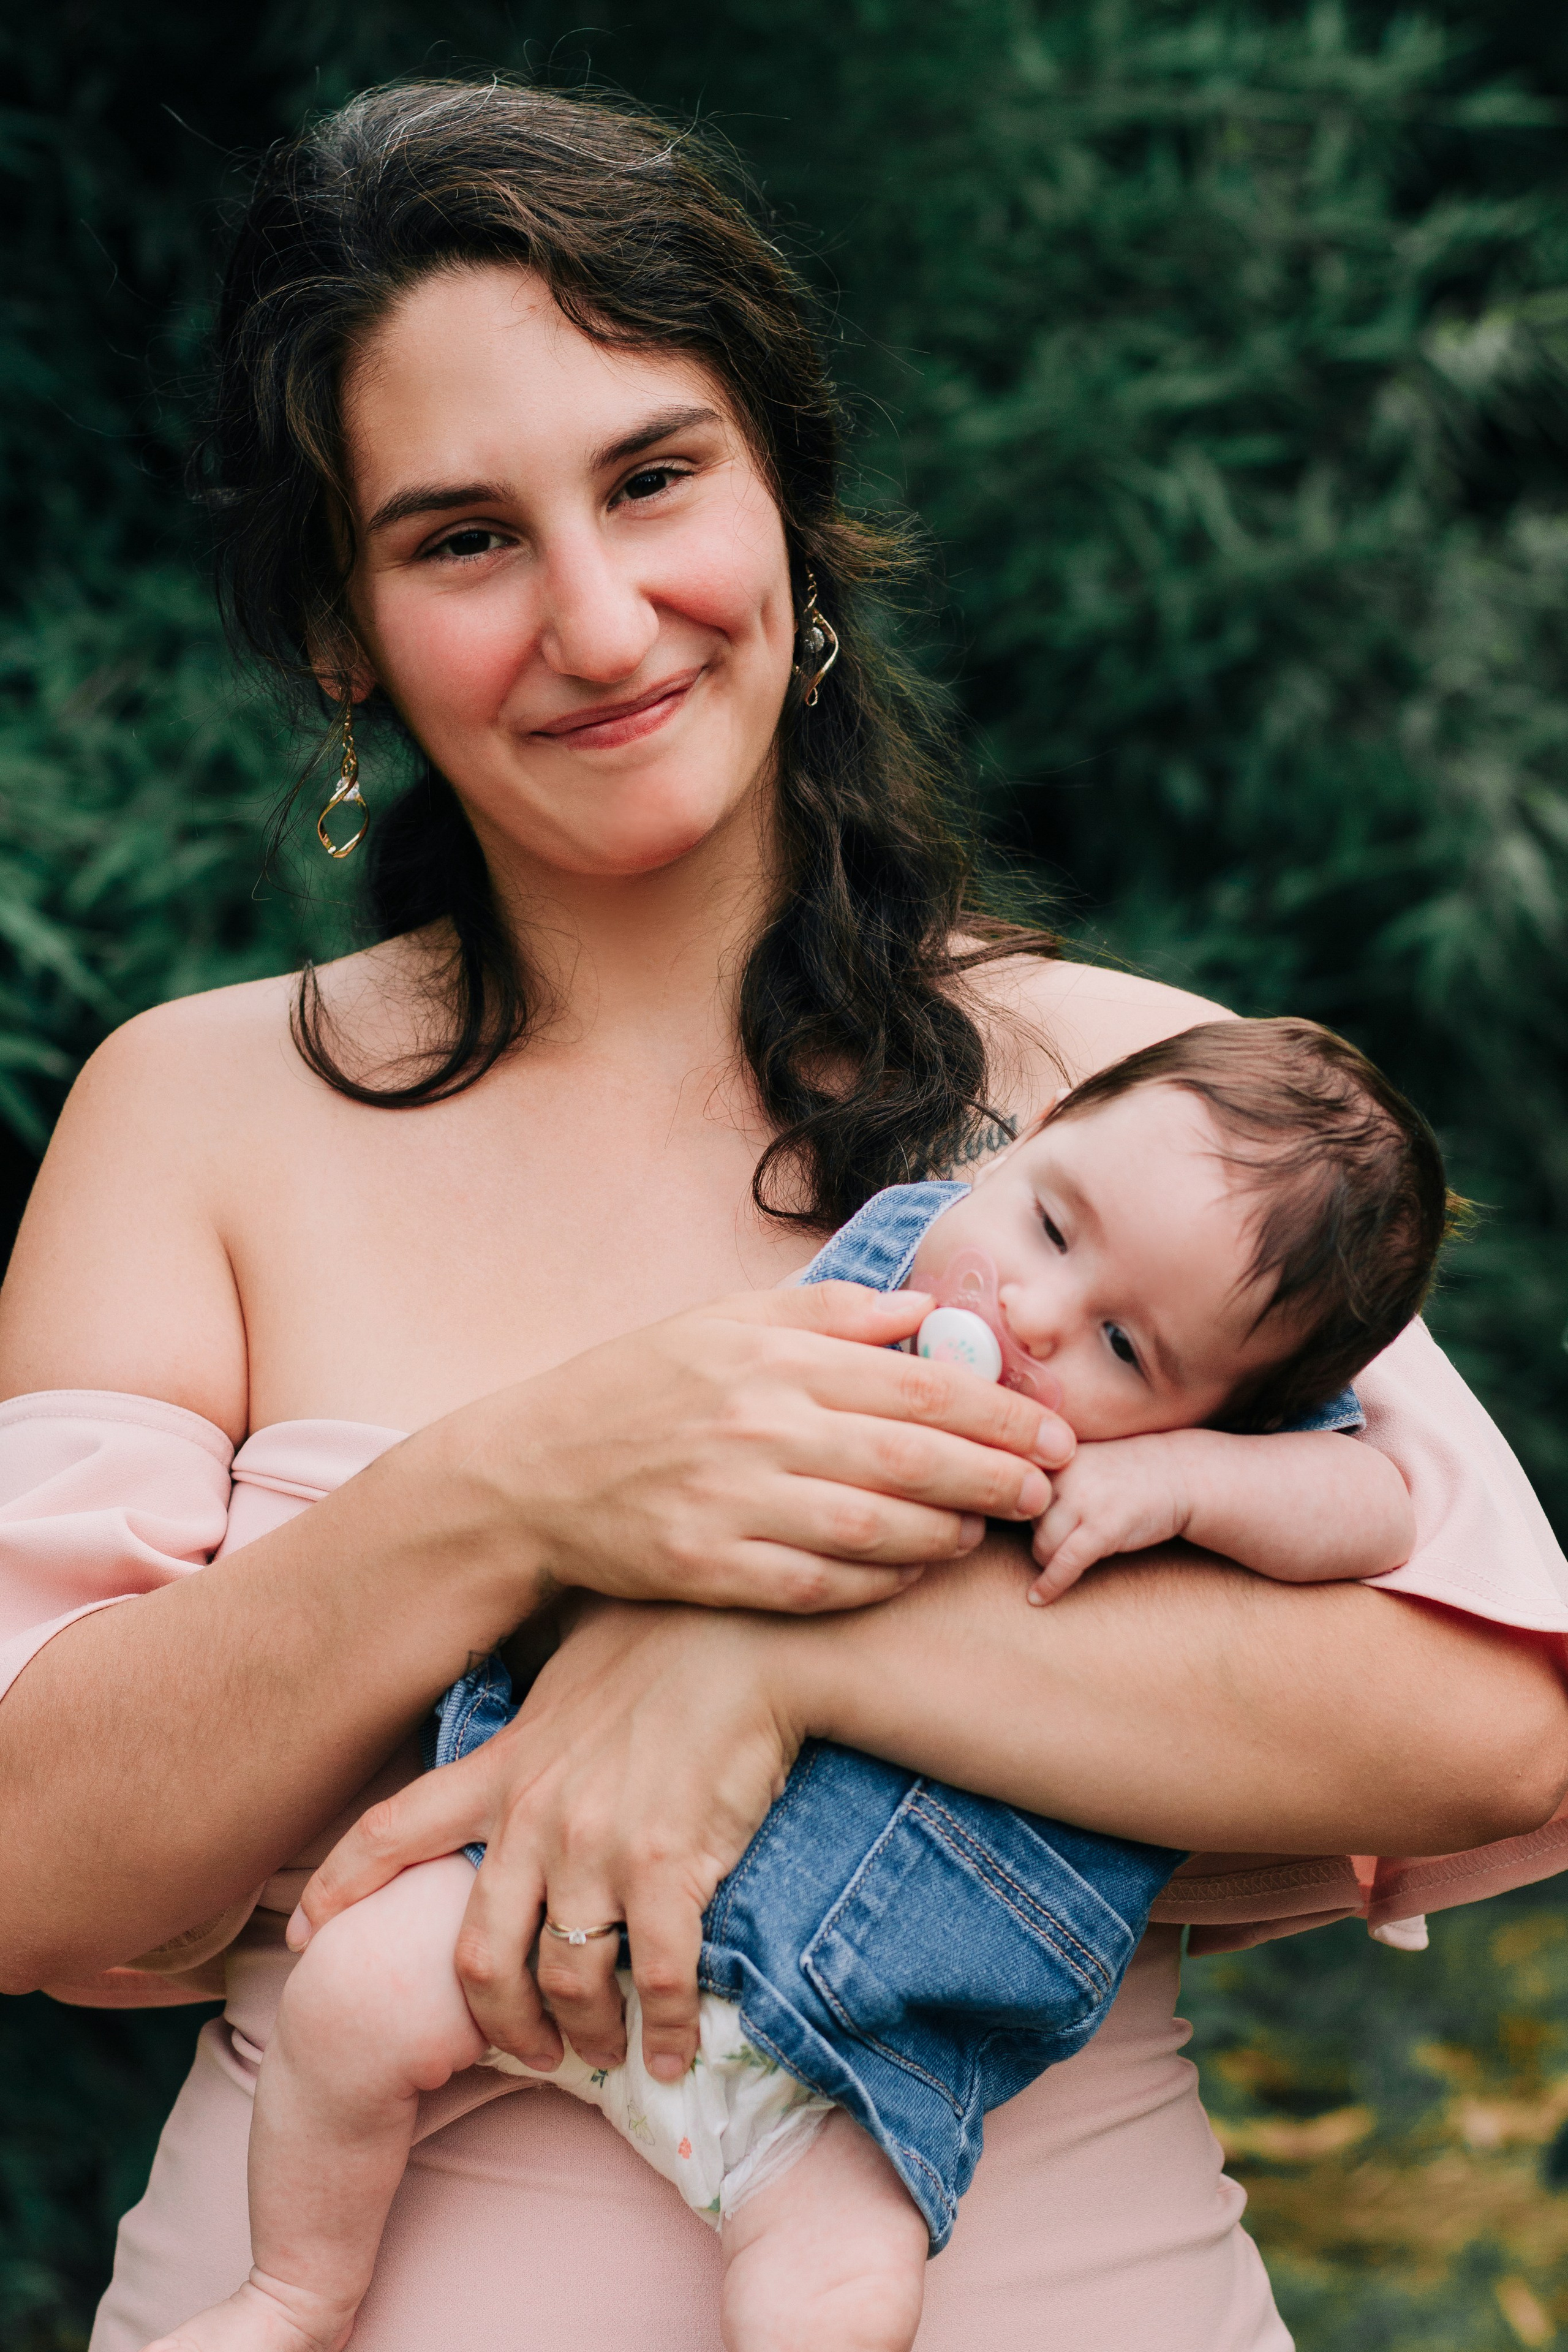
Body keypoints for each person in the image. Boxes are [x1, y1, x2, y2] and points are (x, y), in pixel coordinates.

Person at [0, 77, 1565, 2352]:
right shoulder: (196, 1113)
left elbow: (1499, 1725)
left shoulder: (1134, 1112)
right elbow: (29, 1857)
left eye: (655, 478)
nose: (600, 616)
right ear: (341, 632)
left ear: (790, 503)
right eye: (463, 538)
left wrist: (767, 1652)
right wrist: (518, 1495)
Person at [140, 1016, 1444, 2352]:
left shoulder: (1206, 1463)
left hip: (841, 2055)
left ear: (1236, 1412)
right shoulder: (851, 1296)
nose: (1037, 1315)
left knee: (843, 2283)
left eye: (1125, 1347)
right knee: (348, 2002)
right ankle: (294, 2295)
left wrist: (1184, 1481)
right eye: (1051, 1228)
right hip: (546, 1891)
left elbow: (1373, 1510)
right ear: (1026, 1144)